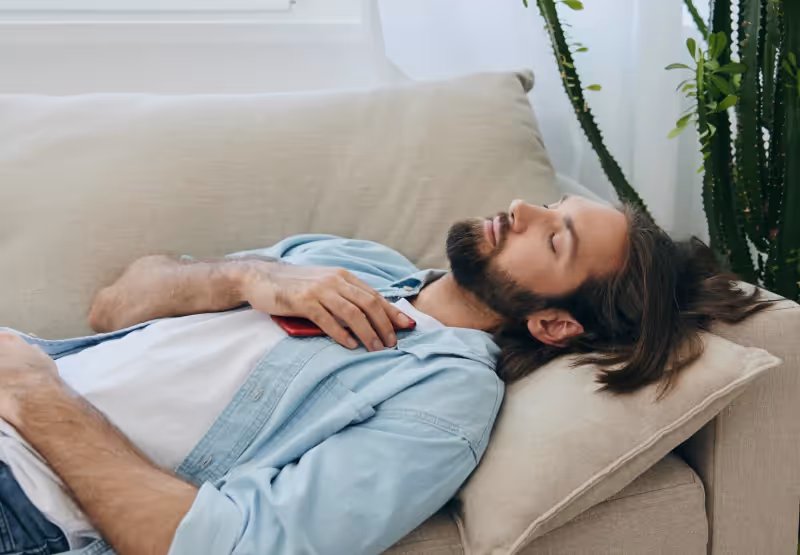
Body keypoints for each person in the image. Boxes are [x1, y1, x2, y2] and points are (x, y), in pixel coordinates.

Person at [0, 194, 771, 555]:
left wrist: (33, 395)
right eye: (550, 203)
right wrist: (247, 278)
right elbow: (114, 301)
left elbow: (222, 548)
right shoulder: (362, 262)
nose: (522, 207)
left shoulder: (446, 398)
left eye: (555, 236)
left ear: (555, 323)